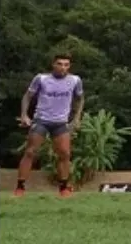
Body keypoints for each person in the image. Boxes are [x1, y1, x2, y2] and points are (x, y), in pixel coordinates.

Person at [14, 54, 84, 197]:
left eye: (66, 64)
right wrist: (24, 114)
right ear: (53, 64)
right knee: (30, 152)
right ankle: (20, 187)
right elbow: (28, 96)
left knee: (64, 154)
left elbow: (80, 99)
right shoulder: (41, 79)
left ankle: (64, 188)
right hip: (42, 120)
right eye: (59, 64)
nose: (63, 67)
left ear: (69, 66)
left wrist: (76, 118)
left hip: (61, 122)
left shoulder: (75, 80)